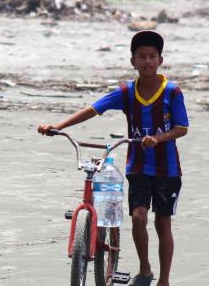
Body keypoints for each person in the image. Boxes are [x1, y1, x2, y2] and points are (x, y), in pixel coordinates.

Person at [38, 31, 188, 286]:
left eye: (152, 56)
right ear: (133, 62)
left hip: (167, 169)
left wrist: (159, 138)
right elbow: (95, 108)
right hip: (138, 166)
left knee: (163, 223)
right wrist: (59, 126)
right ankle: (145, 270)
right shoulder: (127, 92)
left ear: (161, 60)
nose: (147, 61)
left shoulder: (171, 92)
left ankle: (164, 279)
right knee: (138, 217)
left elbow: (182, 127)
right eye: (142, 57)